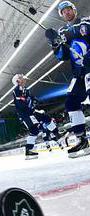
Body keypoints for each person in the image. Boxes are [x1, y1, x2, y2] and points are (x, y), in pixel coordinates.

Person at [45, 1, 90, 158]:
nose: (66, 13)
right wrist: (56, 45)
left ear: (74, 10)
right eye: (63, 12)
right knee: (71, 102)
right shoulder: (61, 31)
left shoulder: (86, 22)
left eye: (68, 9)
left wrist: (70, 36)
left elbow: (83, 34)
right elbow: (62, 56)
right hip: (79, 72)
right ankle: (82, 139)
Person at [12, 74, 62, 159]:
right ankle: (28, 150)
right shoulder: (17, 90)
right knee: (35, 130)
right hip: (25, 114)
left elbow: (30, 99)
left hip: (31, 112)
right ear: (18, 81)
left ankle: (57, 134)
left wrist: (34, 100)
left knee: (46, 118)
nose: (24, 78)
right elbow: (22, 102)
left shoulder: (26, 90)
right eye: (21, 77)